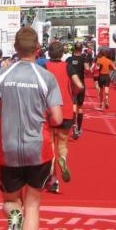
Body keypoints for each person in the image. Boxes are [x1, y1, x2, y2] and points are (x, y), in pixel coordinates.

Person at [0, 26, 62, 230]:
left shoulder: (3, 74)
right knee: (33, 205)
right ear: (37, 48)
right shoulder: (46, 77)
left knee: (10, 200)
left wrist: (6, 114)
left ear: (15, 48)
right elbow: (57, 117)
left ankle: (12, 216)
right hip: (38, 148)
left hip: (9, 149)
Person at [44, 41, 83, 193]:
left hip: (49, 110)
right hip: (65, 109)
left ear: (49, 53)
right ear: (62, 54)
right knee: (62, 143)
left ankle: (53, 180)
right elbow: (79, 85)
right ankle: (64, 159)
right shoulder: (68, 67)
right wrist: (72, 93)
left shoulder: (44, 67)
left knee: (50, 146)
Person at [66, 42, 90, 138]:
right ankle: (79, 128)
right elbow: (87, 69)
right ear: (81, 49)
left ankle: (74, 126)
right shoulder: (83, 59)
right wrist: (86, 72)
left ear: (74, 49)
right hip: (80, 85)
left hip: (72, 85)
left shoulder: (69, 59)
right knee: (80, 107)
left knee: (73, 105)